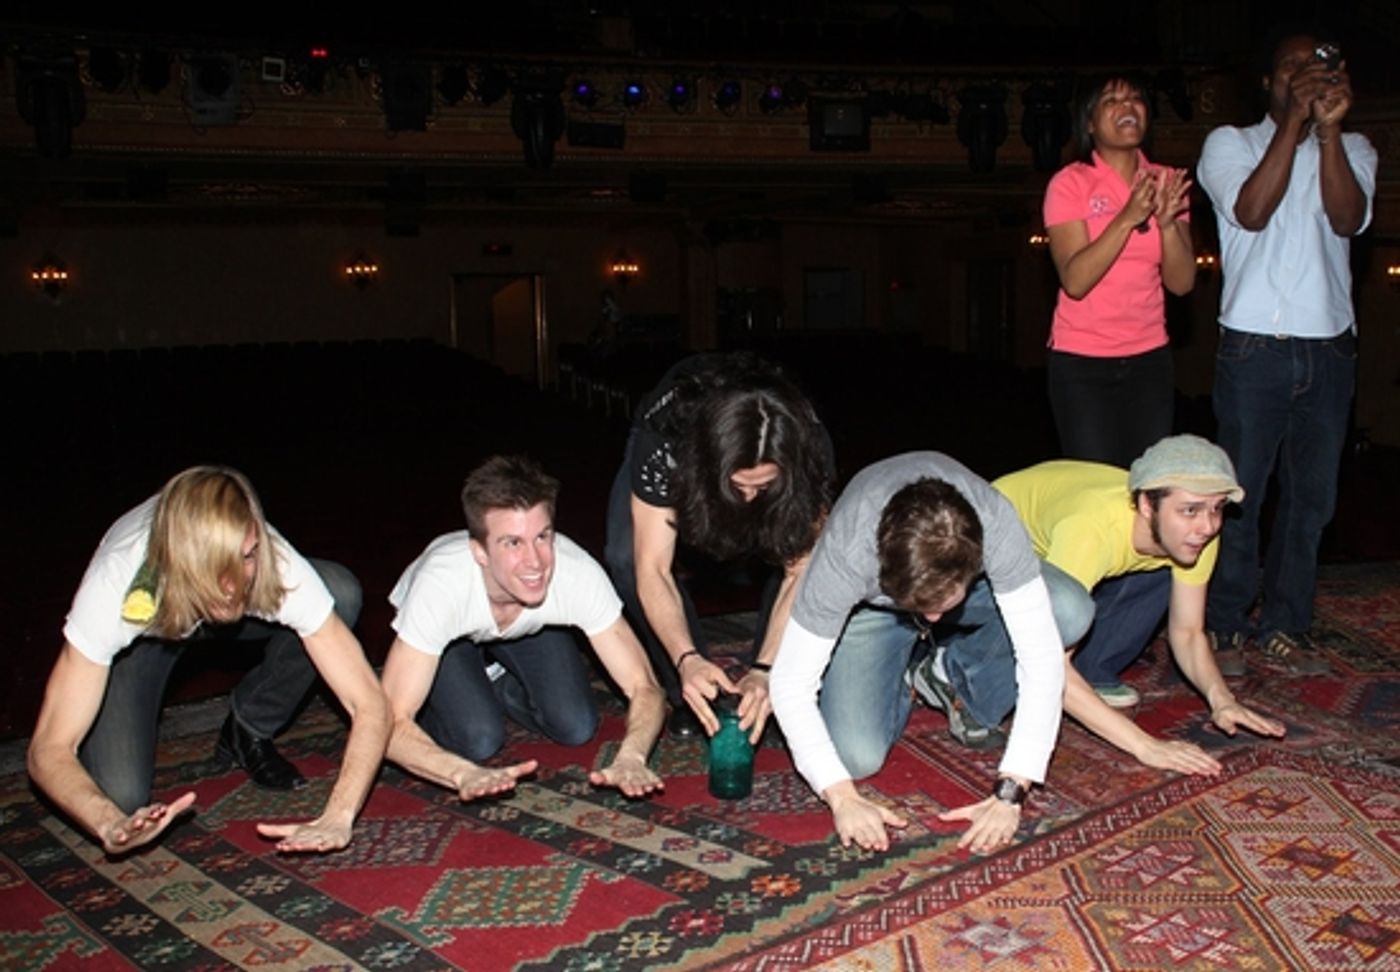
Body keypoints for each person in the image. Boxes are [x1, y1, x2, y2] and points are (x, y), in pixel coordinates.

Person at [27, 466, 389, 855]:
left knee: (340, 591)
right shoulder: (113, 586)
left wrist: (339, 816)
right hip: (148, 636)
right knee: (122, 797)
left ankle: (249, 725)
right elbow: (48, 749)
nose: (235, 585)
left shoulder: (269, 561)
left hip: (219, 613)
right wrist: (106, 821)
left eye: (247, 556)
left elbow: (369, 703)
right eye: (219, 569)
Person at [769, 453, 1090, 854]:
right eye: (925, 607)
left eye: (943, 604)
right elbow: (789, 684)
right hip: (872, 608)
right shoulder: (845, 555)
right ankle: (902, 674)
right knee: (854, 757)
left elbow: (1041, 661)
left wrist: (1012, 791)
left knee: (1071, 610)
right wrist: (842, 797)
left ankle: (945, 672)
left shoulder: (996, 524)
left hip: (975, 593)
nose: (935, 617)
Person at [1198, 28, 1376, 676]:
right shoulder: (1230, 143)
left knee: (1311, 500)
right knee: (1240, 496)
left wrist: (1325, 132)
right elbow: (1250, 210)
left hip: (1329, 351)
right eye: (1289, 69)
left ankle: (1287, 621)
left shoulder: (1355, 147)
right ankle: (1224, 620)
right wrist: (1295, 121)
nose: (1302, 77)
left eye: (1315, 69)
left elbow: (1347, 218)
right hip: (1255, 349)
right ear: (1267, 81)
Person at [978, 435, 1285, 775]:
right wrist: (1145, 746)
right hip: (993, 537)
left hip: (1086, 534)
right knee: (1025, 660)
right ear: (1147, 505)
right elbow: (1049, 665)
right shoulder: (1090, 530)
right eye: (1190, 510)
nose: (1207, 526)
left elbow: (1187, 631)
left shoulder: (1196, 532)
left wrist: (1221, 698)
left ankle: (1093, 668)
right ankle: (951, 666)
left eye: (1217, 508)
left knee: (1172, 562)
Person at [381, 455, 665, 801]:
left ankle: (495, 678)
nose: (535, 561)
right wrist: (461, 772)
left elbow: (644, 686)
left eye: (542, 536)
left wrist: (632, 758)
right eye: (513, 543)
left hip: (527, 625)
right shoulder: (439, 587)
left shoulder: (577, 573)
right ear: (480, 552)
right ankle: (466, 692)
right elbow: (390, 721)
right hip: (451, 637)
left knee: (576, 726)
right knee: (479, 738)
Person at [604, 352, 834, 743]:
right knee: (624, 557)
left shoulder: (809, 452)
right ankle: (690, 694)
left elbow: (801, 571)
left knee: (800, 550)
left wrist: (766, 669)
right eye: (737, 486)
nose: (746, 500)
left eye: (761, 487)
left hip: (787, 463)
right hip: (678, 438)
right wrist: (687, 658)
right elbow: (652, 567)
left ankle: (768, 693)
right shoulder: (666, 440)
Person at [1043, 72, 1196, 468]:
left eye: (1136, 100)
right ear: (1090, 122)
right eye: (1112, 100)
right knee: (1096, 484)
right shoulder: (1070, 183)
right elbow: (1075, 281)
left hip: (1149, 359)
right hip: (1082, 361)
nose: (1127, 107)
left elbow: (1181, 284)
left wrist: (1165, 223)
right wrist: (1126, 218)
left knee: (1145, 481)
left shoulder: (1166, 181)